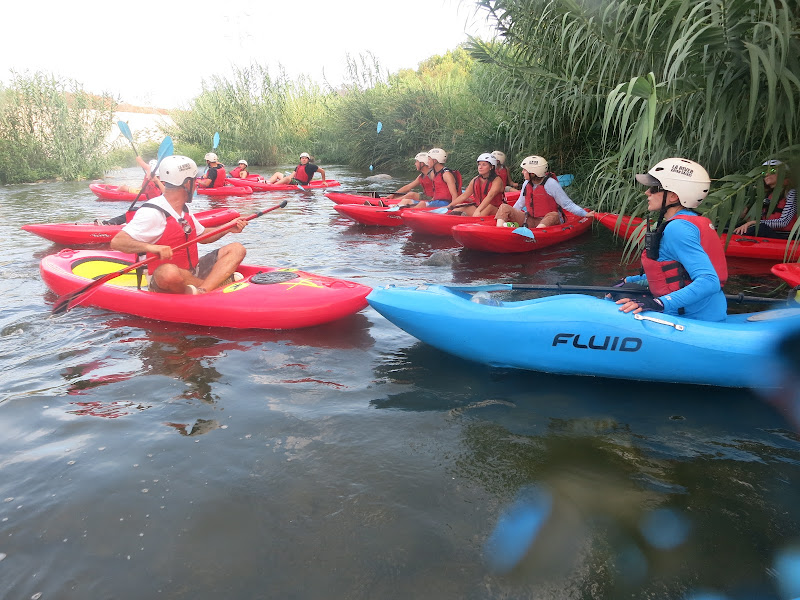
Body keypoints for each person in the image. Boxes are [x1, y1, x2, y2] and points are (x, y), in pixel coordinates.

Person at [110, 155, 248, 295]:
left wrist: (228, 228)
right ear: (187, 184)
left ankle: (203, 290)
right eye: (195, 181)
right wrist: (151, 247)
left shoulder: (184, 209)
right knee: (168, 272)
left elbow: (202, 236)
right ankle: (216, 285)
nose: (196, 186)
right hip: (165, 280)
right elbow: (117, 242)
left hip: (193, 272)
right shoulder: (152, 212)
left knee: (237, 249)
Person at [613, 157, 728, 322]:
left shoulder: (678, 228)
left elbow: (709, 282)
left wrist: (658, 303)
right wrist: (627, 281)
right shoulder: (690, 221)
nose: (647, 192)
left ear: (673, 196)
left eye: (654, 188)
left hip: (692, 319)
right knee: (624, 291)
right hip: (706, 312)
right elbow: (675, 275)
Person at [495, 155, 593, 228]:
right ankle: (499, 231)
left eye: (525, 170)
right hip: (530, 219)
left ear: (533, 173)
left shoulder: (551, 184)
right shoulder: (526, 183)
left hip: (548, 222)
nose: (522, 172)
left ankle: (537, 233)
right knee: (504, 207)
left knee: (553, 215)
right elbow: (520, 203)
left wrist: (584, 214)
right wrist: (511, 214)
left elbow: (567, 204)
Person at [733, 159, 796, 238]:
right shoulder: (767, 195)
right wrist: (746, 216)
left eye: (772, 170)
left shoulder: (792, 193)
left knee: (759, 228)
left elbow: (784, 222)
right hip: (767, 232)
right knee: (730, 227)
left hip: (784, 237)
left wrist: (754, 222)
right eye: (764, 172)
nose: (767, 174)